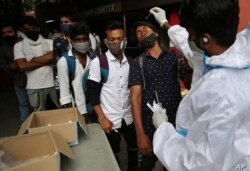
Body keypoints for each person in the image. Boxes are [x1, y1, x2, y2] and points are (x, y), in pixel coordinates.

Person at [149, 0, 250, 170]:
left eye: (190, 34)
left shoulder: (220, 95)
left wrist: (163, 130)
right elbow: (185, 43)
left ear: (205, 39)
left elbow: (196, 165)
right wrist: (164, 23)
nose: (187, 38)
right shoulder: (237, 51)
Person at [129, 20, 184, 171]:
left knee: (174, 165)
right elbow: (135, 98)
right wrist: (140, 134)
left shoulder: (174, 58)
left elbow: (190, 83)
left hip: (176, 124)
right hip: (150, 126)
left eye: (144, 29)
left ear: (157, 33)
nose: (141, 32)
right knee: (145, 166)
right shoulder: (137, 63)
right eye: (138, 32)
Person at [87, 21, 138, 171]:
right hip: (110, 118)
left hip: (129, 117)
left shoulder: (131, 62)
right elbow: (92, 92)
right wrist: (102, 118)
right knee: (113, 153)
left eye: (120, 39)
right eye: (112, 39)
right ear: (106, 41)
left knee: (134, 150)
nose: (116, 42)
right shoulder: (99, 62)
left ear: (125, 40)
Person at [14, 16, 60, 111]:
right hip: (34, 86)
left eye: (33, 28)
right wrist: (46, 62)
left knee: (60, 110)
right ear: (23, 30)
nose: (30, 30)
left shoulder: (50, 42)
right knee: (39, 115)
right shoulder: (18, 46)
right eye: (27, 29)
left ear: (38, 29)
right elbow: (22, 65)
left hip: (53, 84)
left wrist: (29, 60)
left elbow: (51, 57)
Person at [57, 22, 92, 116]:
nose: (82, 43)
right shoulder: (64, 61)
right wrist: (71, 114)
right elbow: (64, 92)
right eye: (78, 40)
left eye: (85, 39)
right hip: (77, 110)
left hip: (94, 108)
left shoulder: (94, 58)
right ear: (71, 41)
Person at [0, 23, 30, 121]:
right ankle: (25, 130)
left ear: (16, 32)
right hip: (19, 80)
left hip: (35, 78)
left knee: (39, 104)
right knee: (24, 104)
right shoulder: (3, 49)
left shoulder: (26, 42)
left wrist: (21, 64)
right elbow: (5, 66)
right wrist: (17, 64)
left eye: (9, 32)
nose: (6, 35)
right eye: (4, 33)